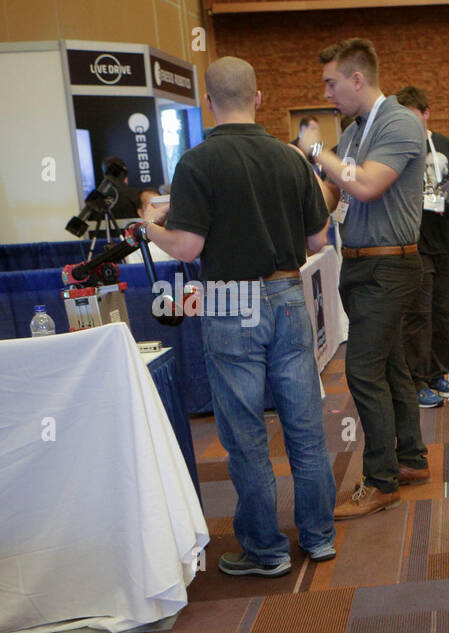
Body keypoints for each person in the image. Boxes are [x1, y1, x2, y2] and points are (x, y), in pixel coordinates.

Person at [143, 56, 336, 577]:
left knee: (245, 432)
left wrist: (150, 229)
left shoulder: (197, 163)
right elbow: (318, 239)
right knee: (304, 424)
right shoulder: (291, 158)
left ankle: (266, 550)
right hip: (288, 292)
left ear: (207, 102)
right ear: (258, 98)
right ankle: (319, 537)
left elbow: (185, 247)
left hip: (229, 301)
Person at [299, 37, 429, 519]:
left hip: (389, 266)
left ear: (357, 79)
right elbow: (333, 193)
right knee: (389, 363)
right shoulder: (353, 132)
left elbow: (366, 184)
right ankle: (411, 458)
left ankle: (380, 481)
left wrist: (315, 149)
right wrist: (300, 176)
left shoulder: (399, 122)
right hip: (358, 263)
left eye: (332, 83)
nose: (327, 93)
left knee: (362, 368)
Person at [394, 85, 449, 411]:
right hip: (414, 241)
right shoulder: (397, 147)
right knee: (418, 315)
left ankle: (437, 373)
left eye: (415, 117)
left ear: (426, 113)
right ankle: (416, 381)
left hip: (444, 238)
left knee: (442, 314)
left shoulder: (443, 144)